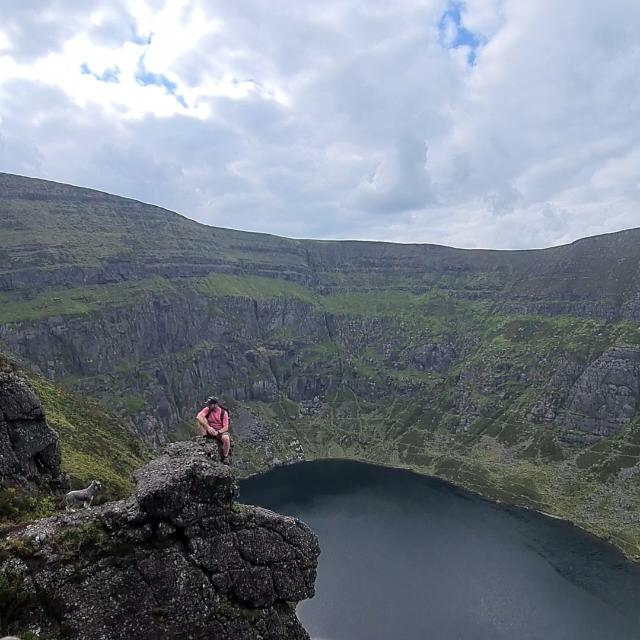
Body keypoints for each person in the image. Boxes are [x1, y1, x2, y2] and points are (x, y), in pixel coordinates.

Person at [196, 396, 231, 464]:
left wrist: (218, 432)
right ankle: (204, 437)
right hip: (209, 429)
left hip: (219, 431)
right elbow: (198, 417)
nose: (208, 406)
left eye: (210, 404)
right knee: (199, 421)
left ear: (216, 405)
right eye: (208, 404)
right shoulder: (207, 409)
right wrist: (208, 427)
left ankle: (225, 456)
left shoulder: (224, 413)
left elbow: (226, 427)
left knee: (226, 438)